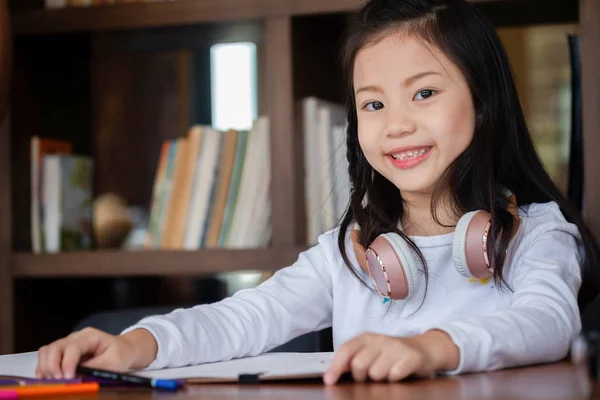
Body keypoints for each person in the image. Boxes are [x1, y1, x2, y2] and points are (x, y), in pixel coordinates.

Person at [36, 0, 600, 385]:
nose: (395, 124)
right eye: (373, 104)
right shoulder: (350, 253)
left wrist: (430, 348)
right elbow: (244, 318)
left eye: (423, 93)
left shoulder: (536, 232)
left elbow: (548, 321)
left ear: (483, 99)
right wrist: (136, 345)